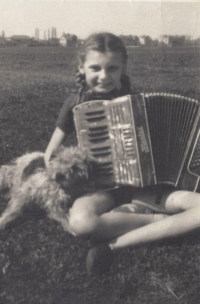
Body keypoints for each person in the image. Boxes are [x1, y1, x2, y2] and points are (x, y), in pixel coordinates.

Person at [44, 32, 200, 274]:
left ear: (122, 68)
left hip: (146, 191)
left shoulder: (140, 103)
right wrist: (72, 175)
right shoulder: (75, 103)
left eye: (112, 68)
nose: (103, 76)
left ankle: (114, 244)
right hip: (101, 190)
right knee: (82, 223)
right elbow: (51, 155)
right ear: (81, 67)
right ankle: (163, 224)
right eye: (95, 68)